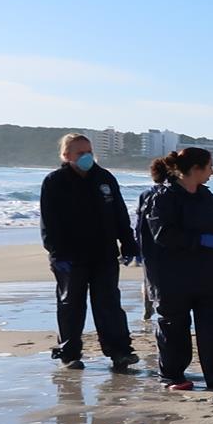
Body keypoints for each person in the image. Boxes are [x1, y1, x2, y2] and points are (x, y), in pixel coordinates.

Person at [141, 147, 213, 391]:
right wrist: (199, 240)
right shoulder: (163, 197)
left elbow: (212, 225)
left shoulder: (206, 196)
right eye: (209, 166)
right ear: (194, 169)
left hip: (208, 271)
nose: (212, 171)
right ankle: (173, 375)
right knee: (173, 325)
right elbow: (162, 234)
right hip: (172, 274)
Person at [39, 132, 140, 371]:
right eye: (80, 153)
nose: (86, 157)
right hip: (70, 256)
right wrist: (55, 253)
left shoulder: (104, 178)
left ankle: (120, 352)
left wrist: (128, 244)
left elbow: (119, 214)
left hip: (104, 253)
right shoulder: (55, 182)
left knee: (109, 303)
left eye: (89, 152)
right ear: (66, 155)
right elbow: (49, 221)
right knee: (71, 305)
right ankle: (69, 353)